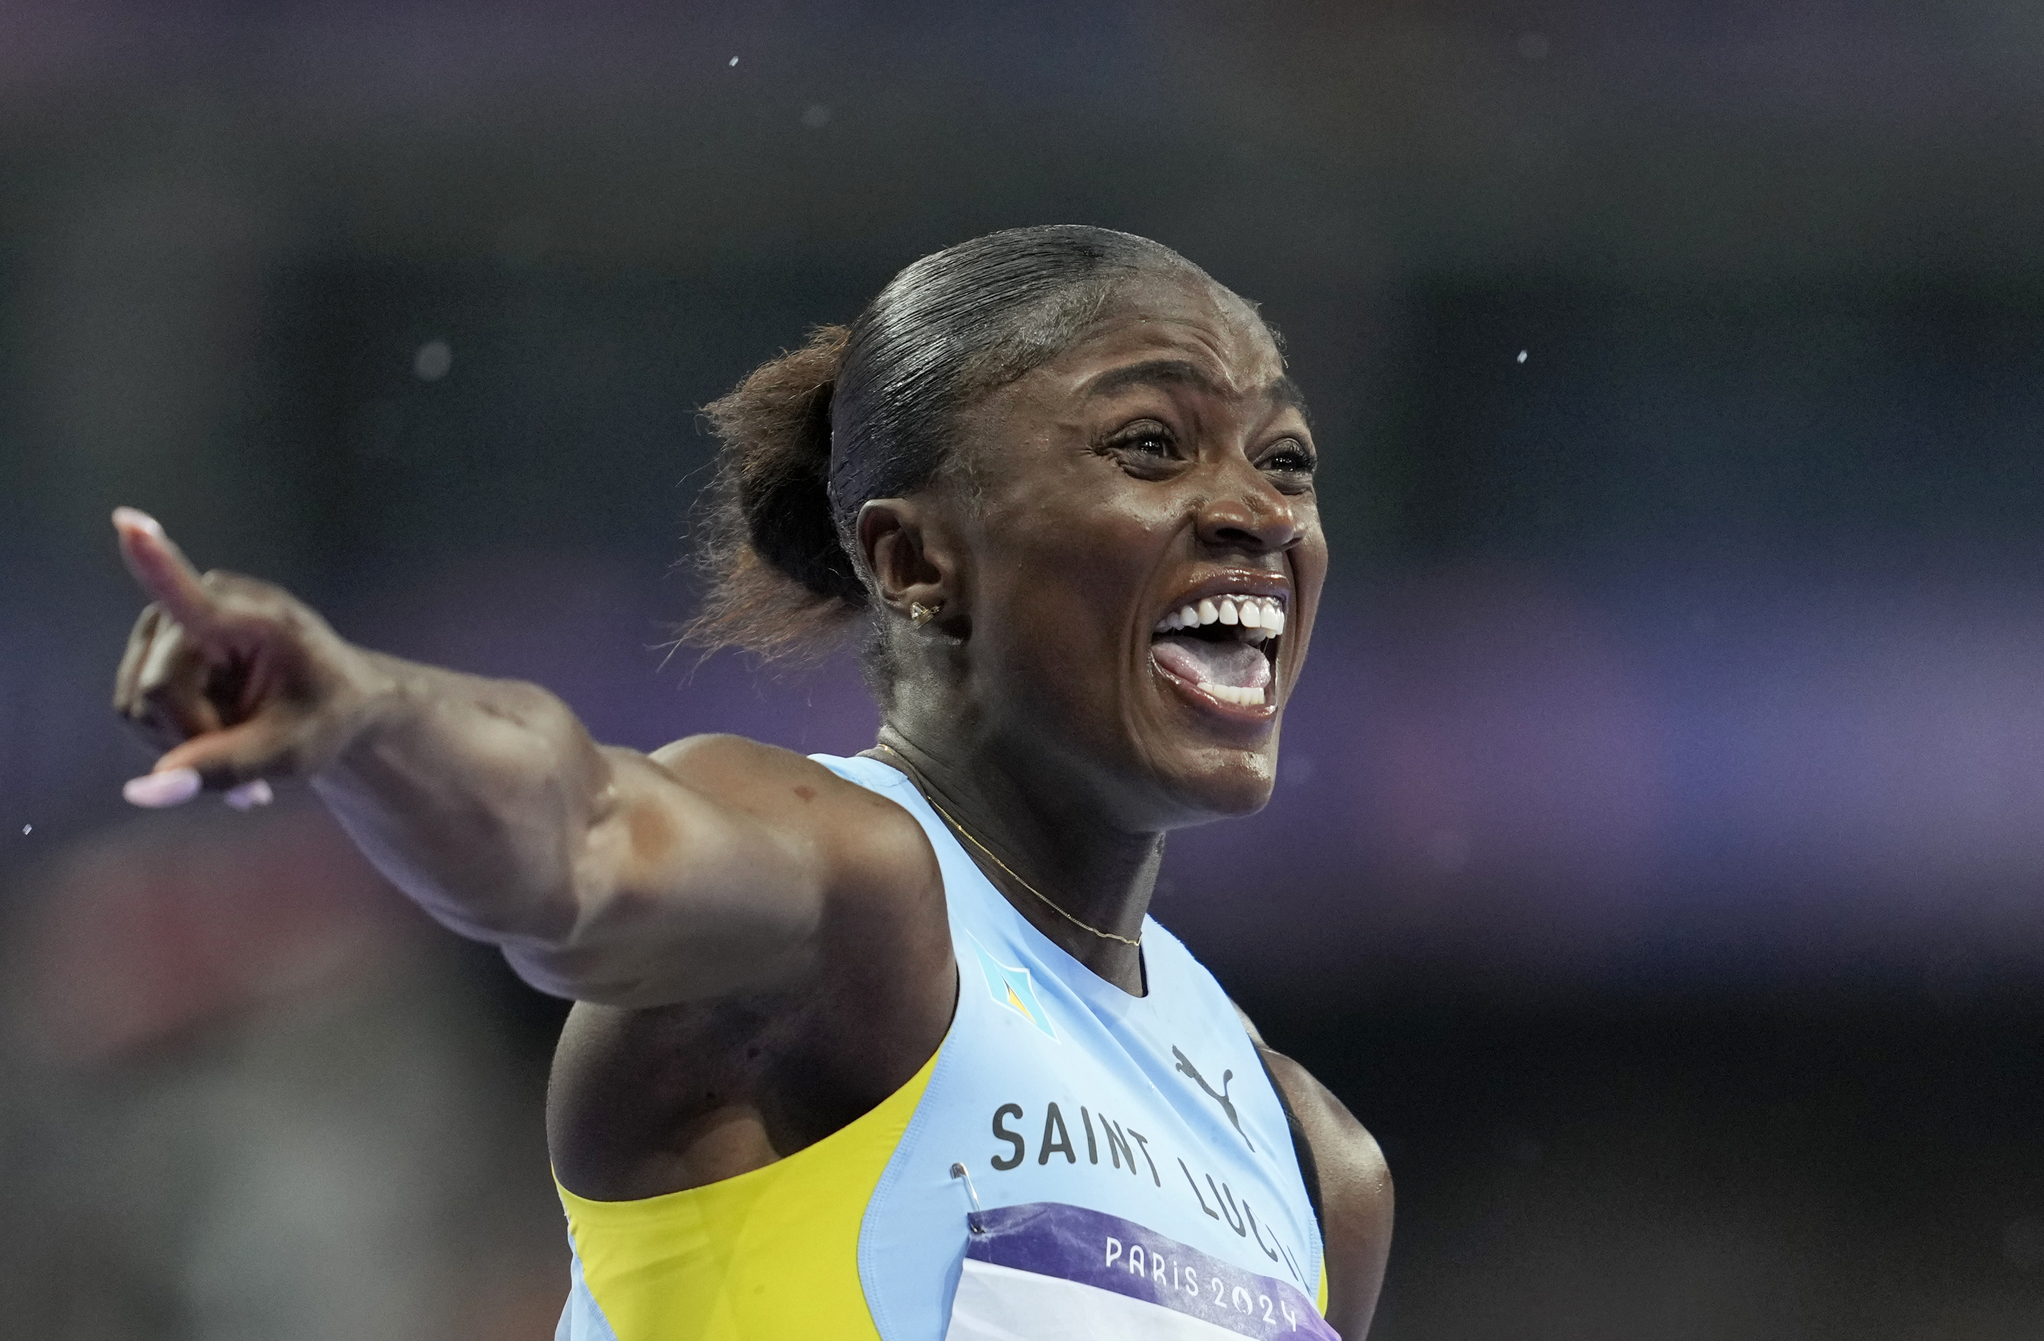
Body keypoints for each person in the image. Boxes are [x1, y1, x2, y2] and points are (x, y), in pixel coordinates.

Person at [109, 225, 1393, 1340]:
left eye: (1284, 461)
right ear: (911, 560)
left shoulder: (1315, 1160)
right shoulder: (851, 892)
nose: (1257, 512)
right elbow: (581, 839)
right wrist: (362, 713)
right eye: (1152, 445)